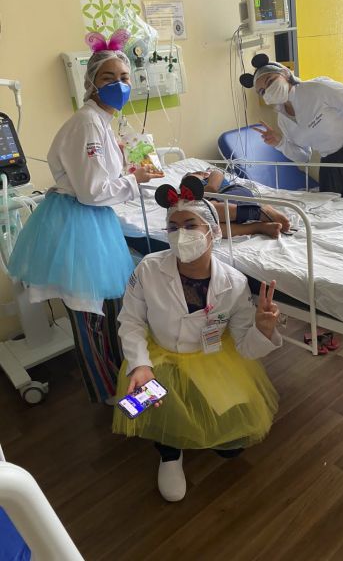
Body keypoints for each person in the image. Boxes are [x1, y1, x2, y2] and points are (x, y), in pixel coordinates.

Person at [8, 29, 163, 403]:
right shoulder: (87, 124)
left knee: (108, 308)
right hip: (78, 222)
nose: (119, 85)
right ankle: (109, 394)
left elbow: (98, 177)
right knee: (90, 314)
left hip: (92, 221)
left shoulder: (102, 122)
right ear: (91, 82)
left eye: (124, 77)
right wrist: (134, 180)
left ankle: (122, 384)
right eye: (109, 78)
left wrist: (127, 166)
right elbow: (92, 191)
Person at [113, 175, 281, 502]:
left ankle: (198, 428)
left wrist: (263, 328)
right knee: (159, 411)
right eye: (173, 227)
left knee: (232, 449)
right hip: (159, 359)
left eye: (190, 225)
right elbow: (130, 320)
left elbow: (246, 348)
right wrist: (140, 366)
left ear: (213, 231)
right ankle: (169, 453)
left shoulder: (234, 283)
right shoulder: (148, 269)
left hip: (211, 359)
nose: (181, 234)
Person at [240, 53, 343, 199]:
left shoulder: (316, 89)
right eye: (262, 91)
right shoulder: (283, 120)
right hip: (331, 165)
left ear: (285, 74)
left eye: (270, 81)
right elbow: (304, 157)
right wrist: (280, 143)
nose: (268, 90)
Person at [185, 169, 290, 236]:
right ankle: (259, 227)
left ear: (204, 174)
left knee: (209, 210)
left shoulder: (214, 174)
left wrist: (195, 200)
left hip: (235, 193)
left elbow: (212, 188)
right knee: (211, 228)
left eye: (190, 179)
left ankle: (261, 212)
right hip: (228, 211)